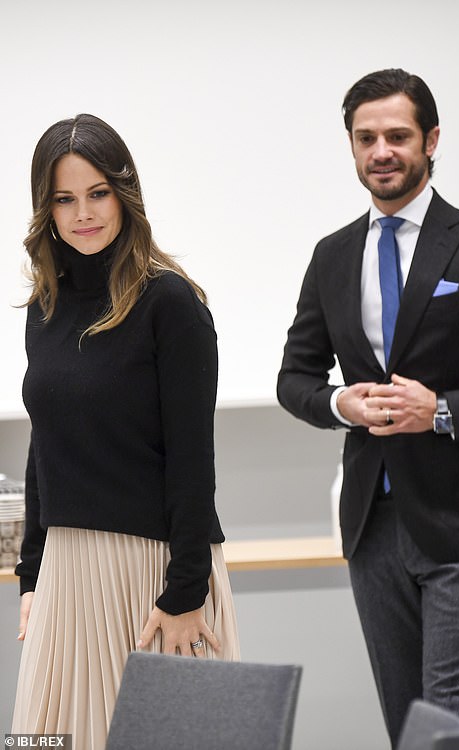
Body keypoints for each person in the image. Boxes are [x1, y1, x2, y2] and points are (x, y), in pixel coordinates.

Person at [277, 68, 459, 750]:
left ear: (431, 140)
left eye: (398, 136)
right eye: (366, 137)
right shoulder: (331, 257)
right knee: (405, 723)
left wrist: (442, 410)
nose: (382, 150)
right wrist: (341, 404)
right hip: (370, 525)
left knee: (447, 726)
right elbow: (295, 379)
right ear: (351, 146)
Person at [12, 114, 240, 749]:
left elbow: (194, 463)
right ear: (46, 209)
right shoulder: (44, 308)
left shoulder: (171, 304)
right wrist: (32, 575)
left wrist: (185, 591)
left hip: (156, 576)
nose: (83, 213)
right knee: (46, 740)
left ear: (125, 194)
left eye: (98, 193)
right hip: (65, 572)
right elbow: (44, 449)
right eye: (64, 198)